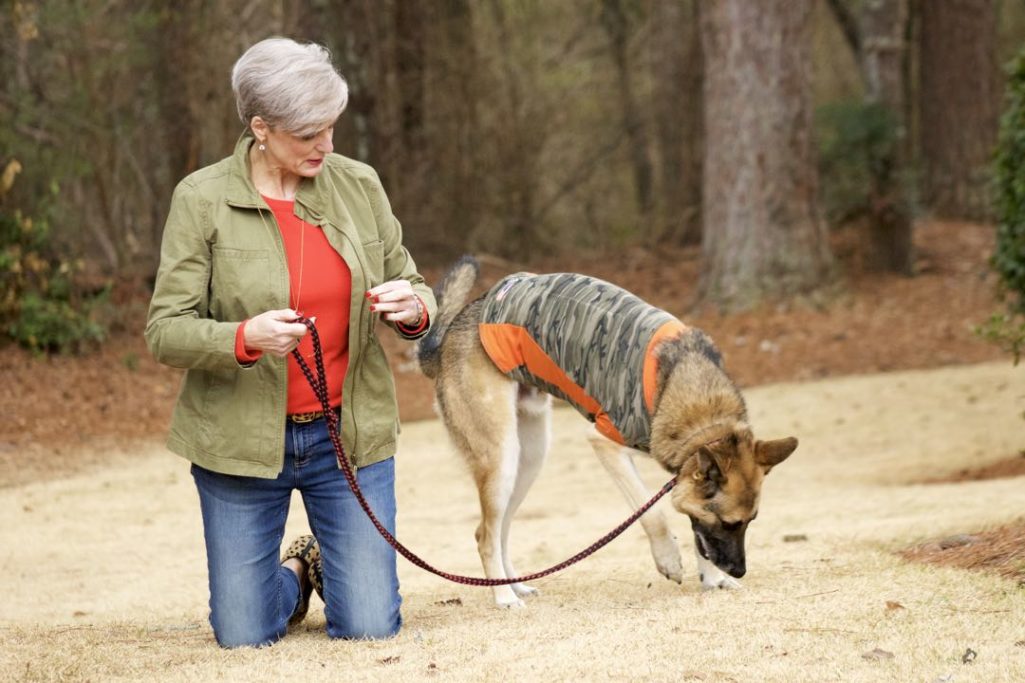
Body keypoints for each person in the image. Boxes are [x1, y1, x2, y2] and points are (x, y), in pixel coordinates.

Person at [145, 37, 435, 648]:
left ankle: (341, 570)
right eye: (309, 134)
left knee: (369, 626)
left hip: (345, 436)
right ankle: (298, 570)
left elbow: (410, 280)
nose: (325, 146)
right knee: (245, 634)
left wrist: (414, 307)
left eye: (331, 127)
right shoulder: (201, 199)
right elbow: (165, 330)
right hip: (240, 445)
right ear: (260, 128)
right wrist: (243, 337)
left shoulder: (358, 185)